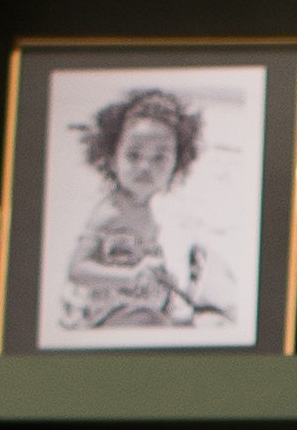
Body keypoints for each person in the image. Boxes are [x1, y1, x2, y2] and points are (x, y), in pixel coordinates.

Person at [56, 86, 240, 333]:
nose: (145, 166)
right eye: (133, 156)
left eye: (159, 158)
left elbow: (138, 256)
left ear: (176, 165)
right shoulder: (110, 212)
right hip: (108, 310)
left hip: (140, 299)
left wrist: (157, 275)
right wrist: (130, 276)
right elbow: (77, 270)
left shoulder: (144, 206)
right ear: (112, 159)